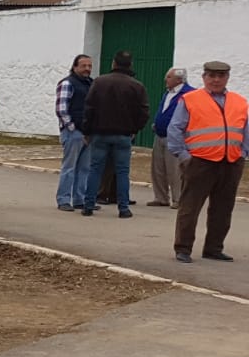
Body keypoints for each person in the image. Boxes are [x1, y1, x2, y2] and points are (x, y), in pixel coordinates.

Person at [169, 61, 246, 263]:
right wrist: (184, 156)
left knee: (223, 208)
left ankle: (213, 248)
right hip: (199, 162)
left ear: (227, 78)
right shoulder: (190, 99)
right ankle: (183, 248)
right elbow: (175, 128)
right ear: (204, 77)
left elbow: (245, 130)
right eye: (212, 75)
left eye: (221, 76)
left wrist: (242, 153)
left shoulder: (240, 102)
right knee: (190, 207)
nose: (216, 80)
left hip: (231, 162)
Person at [80, 50, 148, 219]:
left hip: (100, 133)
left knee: (95, 169)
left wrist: (87, 131)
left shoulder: (99, 82)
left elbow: (89, 108)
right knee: (123, 171)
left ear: (113, 64)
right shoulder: (137, 86)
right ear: (130, 65)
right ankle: (123, 208)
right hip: (124, 134)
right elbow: (144, 112)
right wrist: (135, 129)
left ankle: (88, 205)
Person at [54, 54, 95, 212]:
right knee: (69, 167)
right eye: (84, 66)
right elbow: (61, 109)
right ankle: (64, 199)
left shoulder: (90, 84)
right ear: (75, 66)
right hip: (74, 132)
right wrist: (72, 128)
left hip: (88, 133)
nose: (87, 69)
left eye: (89, 66)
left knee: (84, 168)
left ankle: (80, 199)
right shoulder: (67, 83)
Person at [149, 67, 192, 208]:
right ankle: (161, 197)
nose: (165, 79)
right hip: (160, 134)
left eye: (168, 77)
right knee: (158, 168)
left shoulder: (189, 93)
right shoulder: (167, 93)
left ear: (179, 79)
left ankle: (178, 198)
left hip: (176, 137)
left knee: (174, 169)